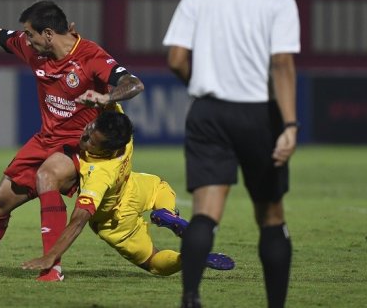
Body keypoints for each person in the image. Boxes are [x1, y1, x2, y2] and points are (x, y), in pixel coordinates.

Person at [0, 1, 144, 281]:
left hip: (82, 144)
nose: (26, 41)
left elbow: (133, 84)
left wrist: (106, 97)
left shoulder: (90, 56)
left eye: (30, 35)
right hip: (45, 139)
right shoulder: (34, 49)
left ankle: (51, 270)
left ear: (47, 33)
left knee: (47, 176)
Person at [162, 0, 300, 307]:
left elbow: (176, 59)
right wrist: (289, 124)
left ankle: (190, 297)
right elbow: (282, 63)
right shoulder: (279, 1)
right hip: (259, 114)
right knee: (271, 216)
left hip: (209, 113)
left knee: (206, 212)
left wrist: (201, 87)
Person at [22, 111, 235, 276]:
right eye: (90, 130)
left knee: (153, 262)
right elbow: (116, 102)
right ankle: (168, 213)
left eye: (91, 143)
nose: (85, 138)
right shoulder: (122, 134)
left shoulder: (99, 175)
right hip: (135, 186)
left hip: (115, 222)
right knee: (162, 187)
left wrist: (51, 256)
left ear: (107, 151)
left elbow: (78, 221)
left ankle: (187, 258)